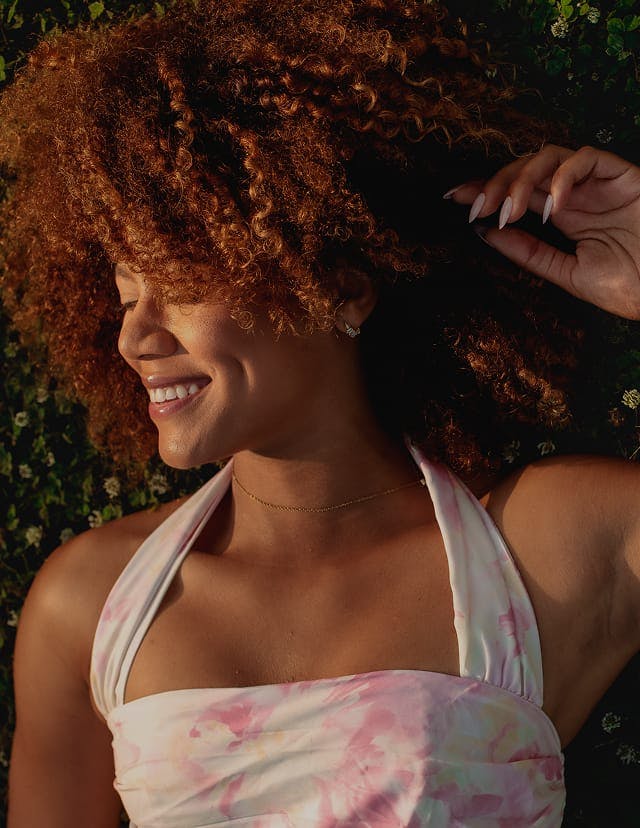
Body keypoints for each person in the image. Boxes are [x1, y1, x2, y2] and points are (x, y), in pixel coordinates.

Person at [2, 0, 640, 824]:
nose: (133, 337)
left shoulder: (554, 544)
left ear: (340, 288)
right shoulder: (86, 604)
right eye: (126, 294)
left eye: (182, 283)